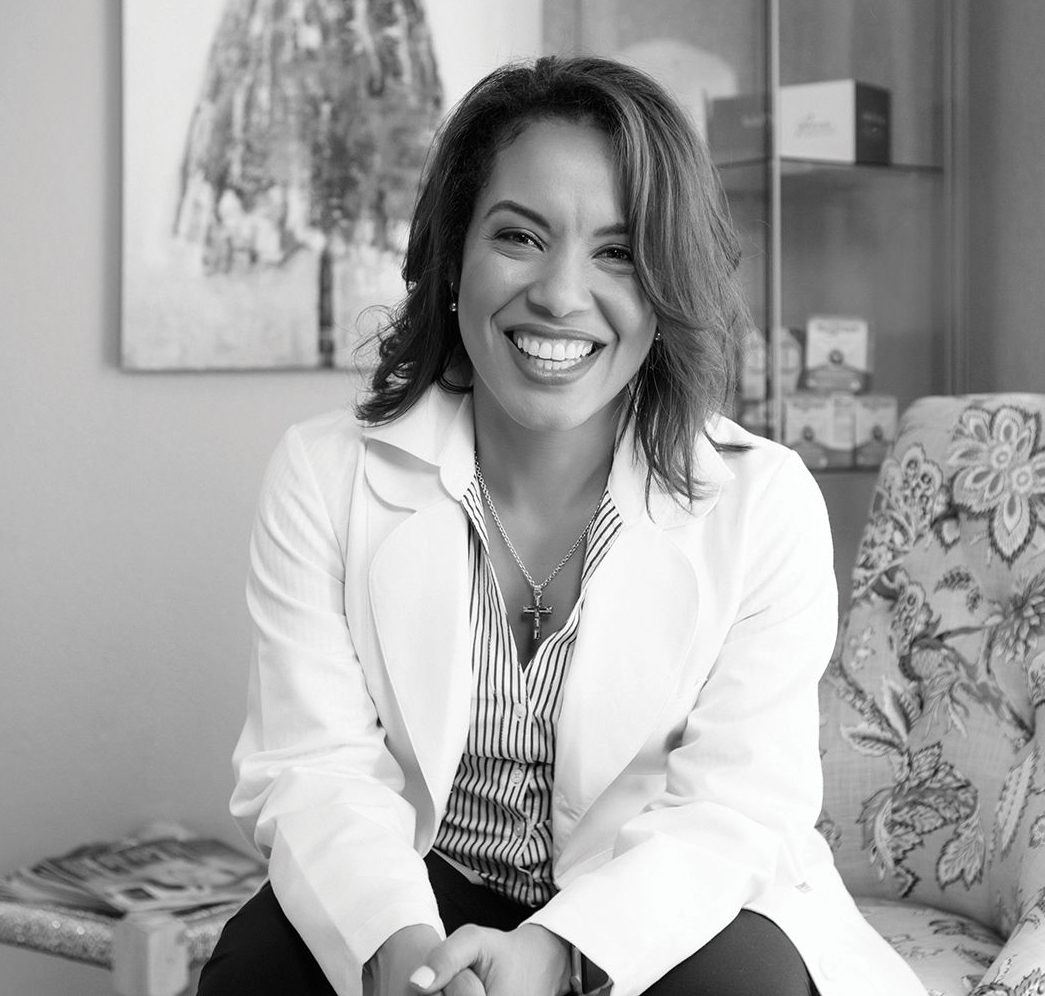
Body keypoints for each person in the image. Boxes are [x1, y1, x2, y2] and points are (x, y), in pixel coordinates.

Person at [196, 56, 926, 996]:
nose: (560, 294)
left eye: (618, 253)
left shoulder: (764, 502)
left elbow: (738, 808)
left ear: (666, 290)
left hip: (654, 891)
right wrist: (404, 954)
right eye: (519, 236)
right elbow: (314, 767)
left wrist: (555, 953)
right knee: (257, 968)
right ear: (452, 256)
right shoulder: (325, 473)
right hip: (418, 878)